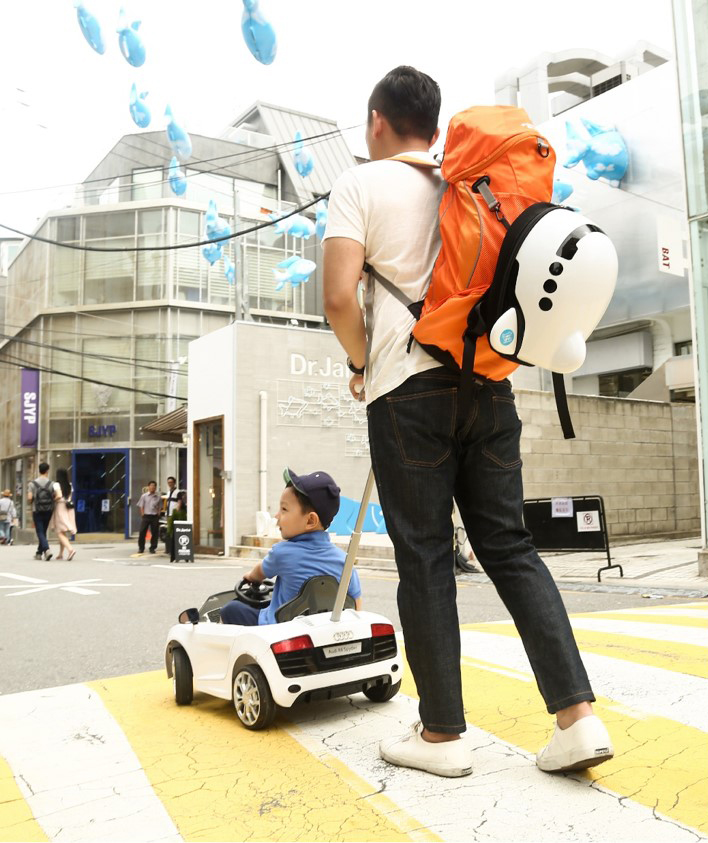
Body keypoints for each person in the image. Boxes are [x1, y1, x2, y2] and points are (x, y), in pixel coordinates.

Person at [322, 66, 613, 778]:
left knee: (423, 554)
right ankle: (577, 719)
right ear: (435, 122)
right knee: (510, 546)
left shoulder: (361, 185)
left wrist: (363, 363)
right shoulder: (471, 179)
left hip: (407, 391)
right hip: (487, 382)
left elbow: (337, 297)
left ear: (376, 120)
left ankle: (442, 734)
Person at [220, 468, 362, 625]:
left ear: (310, 521)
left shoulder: (281, 553)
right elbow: (355, 604)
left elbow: (258, 573)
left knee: (230, 609)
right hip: (321, 633)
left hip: (278, 632)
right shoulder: (344, 562)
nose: (276, 515)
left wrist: (250, 577)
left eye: (284, 509)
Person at [27, 462, 54, 560]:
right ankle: (39, 553)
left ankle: (46, 550)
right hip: (48, 510)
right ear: (47, 471)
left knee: (40, 531)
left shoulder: (32, 484)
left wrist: (31, 502)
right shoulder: (51, 484)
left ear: (39, 470)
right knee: (43, 531)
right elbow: (55, 496)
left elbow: (29, 498)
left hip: (37, 510)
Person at [49, 467, 77, 560]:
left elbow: (59, 496)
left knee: (59, 531)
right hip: (68, 508)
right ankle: (60, 554)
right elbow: (70, 497)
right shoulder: (70, 484)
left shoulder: (56, 484)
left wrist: (54, 499)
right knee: (63, 531)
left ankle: (70, 549)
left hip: (60, 507)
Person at [137, 480, 161, 554]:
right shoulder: (144, 496)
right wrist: (142, 514)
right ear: (148, 487)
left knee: (155, 533)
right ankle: (141, 548)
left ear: (155, 487)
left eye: (154, 486)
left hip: (154, 516)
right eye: (151, 486)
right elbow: (141, 506)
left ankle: (152, 548)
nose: (152, 487)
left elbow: (160, 506)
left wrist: (158, 514)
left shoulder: (158, 497)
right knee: (142, 532)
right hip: (146, 516)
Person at [167, 492, 188, 562]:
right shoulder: (175, 510)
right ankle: (174, 556)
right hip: (177, 528)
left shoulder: (187, 509)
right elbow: (172, 520)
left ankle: (185, 556)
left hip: (185, 528)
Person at [164, 476, 179, 553]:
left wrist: (177, 512)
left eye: (171, 482)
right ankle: (168, 549)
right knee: (169, 531)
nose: (170, 484)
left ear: (174, 483)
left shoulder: (178, 492)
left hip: (174, 514)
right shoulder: (169, 492)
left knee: (173, 531)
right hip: (168, 514)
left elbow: (179, 502)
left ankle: (173, 548)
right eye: (168, 482)